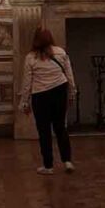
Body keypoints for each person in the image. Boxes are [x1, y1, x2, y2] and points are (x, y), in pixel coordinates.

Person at [20, 26, 77, 175]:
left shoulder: (31, 57)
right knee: (60, 128)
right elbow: (69, 75)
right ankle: (67, 161)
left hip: (40, 95)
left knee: (44, 131)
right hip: (59, 91)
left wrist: (24, 102)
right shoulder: (61, 52)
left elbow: (27, 82)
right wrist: (72, 93)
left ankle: (48, 165)